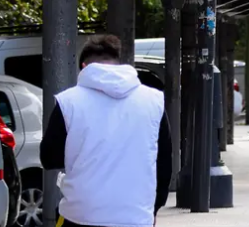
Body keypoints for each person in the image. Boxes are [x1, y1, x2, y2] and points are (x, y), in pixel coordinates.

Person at [40, 35, 172, 227]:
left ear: (84, 67)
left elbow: (49, 158)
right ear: (117, 63)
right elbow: (164, 163)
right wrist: (154, 208)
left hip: (80, 216)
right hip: (135, 217)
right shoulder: (153, 101)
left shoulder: (69, 102)